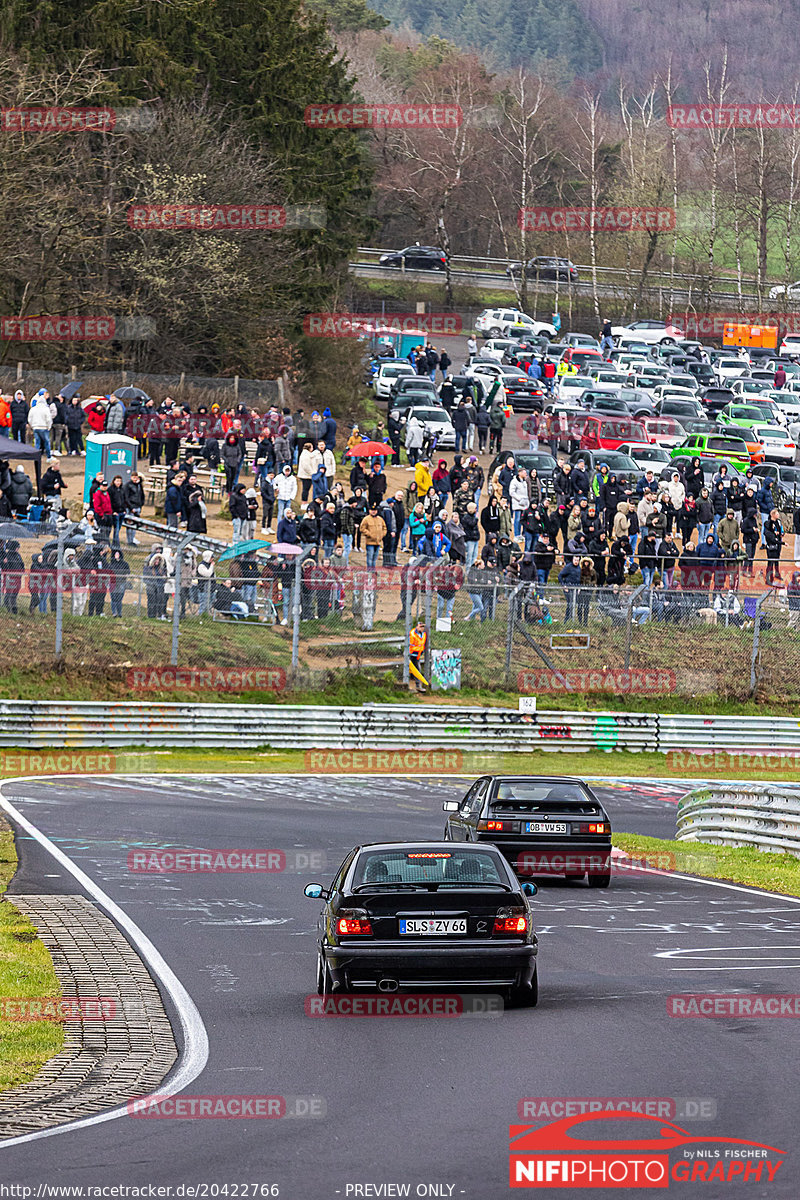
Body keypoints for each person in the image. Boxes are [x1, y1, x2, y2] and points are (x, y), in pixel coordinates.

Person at [360, 504, 386, 570]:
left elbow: (384, 528)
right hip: (370, 542)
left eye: (374, 510)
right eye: (372, 510)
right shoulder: (366, 519)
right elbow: (362, 529)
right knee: (370, 558)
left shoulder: (380, 519)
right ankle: (369, 571)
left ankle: (373, 571)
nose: (373, 512)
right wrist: (369, 534)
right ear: (369, 511)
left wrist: (382, 535)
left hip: (378, 542)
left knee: (375, 558)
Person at [108, 548, 130, 617]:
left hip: (121, 582)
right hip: (113, 582)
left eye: (118, 554)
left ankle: (119, 613)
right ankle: (114, 613)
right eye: (115, 554)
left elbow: (128, 572)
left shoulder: (124, 564)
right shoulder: (111, 564)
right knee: (113, 598)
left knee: (119, 598)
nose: (116, 555)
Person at [409, 618, 427, 691]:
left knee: (417, 670)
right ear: (417, 626)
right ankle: (407, 685)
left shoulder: (423, 634)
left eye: (423, 627)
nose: (422, 628)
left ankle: (418, 686)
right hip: (411, 655)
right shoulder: (412, 634)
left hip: (417, 655)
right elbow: (410, 646)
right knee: (409, 669)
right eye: (420, 626)